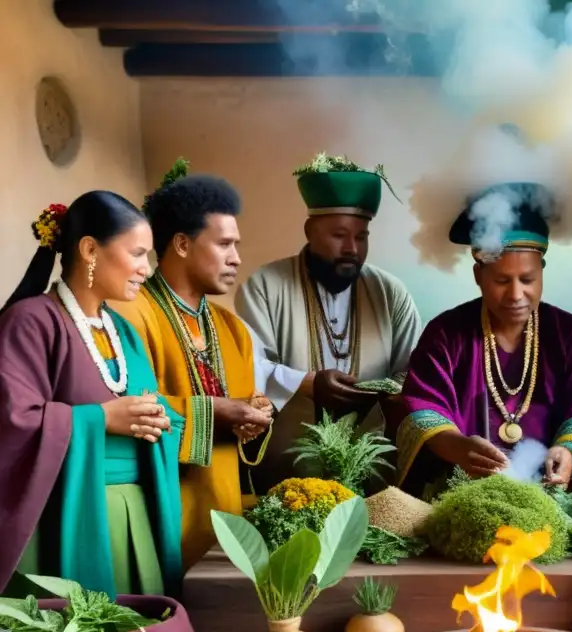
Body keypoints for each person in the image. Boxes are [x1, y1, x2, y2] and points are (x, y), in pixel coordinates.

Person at [0, 193, 184, 597]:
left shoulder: (123, 331)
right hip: (63, 518)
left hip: (134, 515)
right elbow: (12, 422)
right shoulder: (30, 323)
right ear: (89, 250)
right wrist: (101, 419)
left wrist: (162, 419)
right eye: (137, 254)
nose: (145, 269)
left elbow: (151, 409)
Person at [396, 181, 572, 495]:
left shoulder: (571, 334)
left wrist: (566, 449)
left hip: (552, 496)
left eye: (527, 279)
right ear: (478, 276)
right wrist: (457, 447)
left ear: (542, 272)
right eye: (501, 280)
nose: (516, 295)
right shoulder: (446, 333)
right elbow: (423, 408)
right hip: (465, 494)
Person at [112, 162, 273, 571]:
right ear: (182, 244)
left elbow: (241, 425)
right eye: (224, 245)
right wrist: (211, 412)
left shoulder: (232, 329)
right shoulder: (129, 313)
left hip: (224, 528)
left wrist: (254, 416)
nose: (237, 258)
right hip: (154, 519)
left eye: (237, 245)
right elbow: (115, 407)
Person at [235, 153, 422, 492]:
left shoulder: (390, 292)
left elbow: (414, 370)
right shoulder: (266, 285)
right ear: (310, 231)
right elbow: (247, 367)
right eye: (339, 235)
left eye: (361, 236)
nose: (352, 248)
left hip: (373, 476)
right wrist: (306, 383)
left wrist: (385, 392)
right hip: (286, 475)